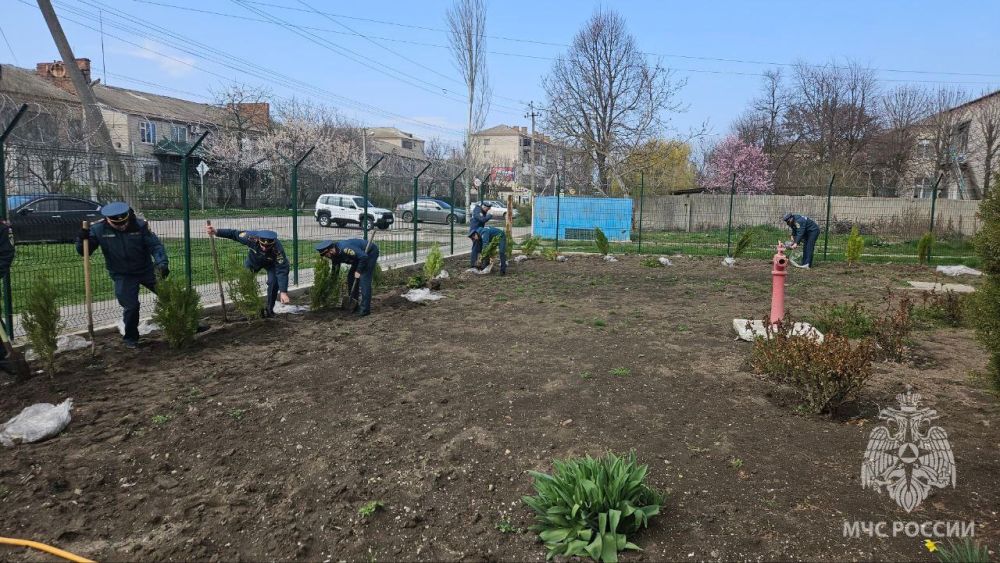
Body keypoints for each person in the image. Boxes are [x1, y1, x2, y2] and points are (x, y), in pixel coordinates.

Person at [76, 202, 168, 348]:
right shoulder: (98, 229)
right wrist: (82, 239)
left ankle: (191, 323)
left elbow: (155, 245)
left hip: (146, 270)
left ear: (127, 217)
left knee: (170, 295)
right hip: (122, 274)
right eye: (117, 225)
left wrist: (162, 263)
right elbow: (84, 251)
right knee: (131, 306)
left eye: (124, 223)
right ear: (108, 220)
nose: (122, 226)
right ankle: (131, 339)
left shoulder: (139, 225)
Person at [207, 226, 290, 317]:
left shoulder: (278, 251)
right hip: (253, 262)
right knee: (245, 281)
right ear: (258, 240)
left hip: (271, 265)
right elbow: (234, 234)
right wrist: (217, 231)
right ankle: (257, 308)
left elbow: (282, 270)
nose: (265, 248)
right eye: (263, 245)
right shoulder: (250, 237)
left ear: (273, 243)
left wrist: (283, 292)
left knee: (274, 282)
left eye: (268, 246)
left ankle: (270, 309)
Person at [314, 238, 380, 316]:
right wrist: (331, 283)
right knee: (350, 278)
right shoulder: (334, 255)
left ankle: (365, 310)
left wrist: (358, 271)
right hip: (358, 258)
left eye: (326, 254)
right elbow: (335, 269)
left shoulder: (345, 249)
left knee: (364, 279)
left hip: (369, 253)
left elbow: (363, 256)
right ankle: (354, 304)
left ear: (331, 250)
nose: (327, 257)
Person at [468, 201, 492, 268]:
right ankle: (473, 265)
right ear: (484, 206)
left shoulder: (482, 210)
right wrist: (489, 216)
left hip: (479, 231)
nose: (488, 210)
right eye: (487, 209)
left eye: (489, 209)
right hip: (474, 232)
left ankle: (482, 264)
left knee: (481, 247)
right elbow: (482, 220)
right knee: (476, 248)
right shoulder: (478, 210)